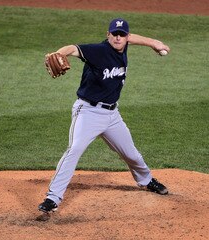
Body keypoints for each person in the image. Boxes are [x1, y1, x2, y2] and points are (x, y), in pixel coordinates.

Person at [38, 18, 170, 214]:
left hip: (112, 115)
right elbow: (73, 48)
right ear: (108, 35)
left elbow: (134, 38)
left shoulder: (124, 45)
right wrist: (60, 53)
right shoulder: (98, 51)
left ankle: (147, 180)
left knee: (131, 153)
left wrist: (154, 43)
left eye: (122, 35)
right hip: (88, 112)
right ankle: (52, 198)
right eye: (114, 34)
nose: (118, 38)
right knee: (74, 150)